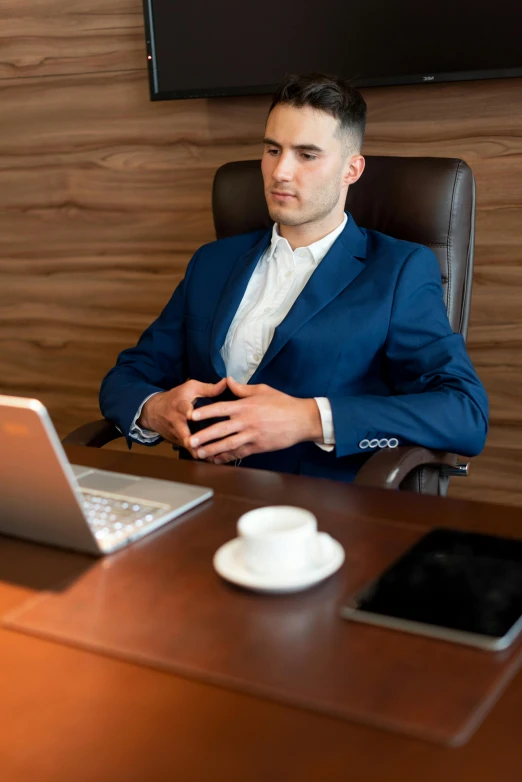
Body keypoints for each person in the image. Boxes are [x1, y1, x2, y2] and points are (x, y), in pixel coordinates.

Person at [99, 72, 488, 484]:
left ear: (351, 170)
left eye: (307, 155)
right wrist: (154, 409)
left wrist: (309, 418)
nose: (280, 171)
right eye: (272, 149)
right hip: (202, 498)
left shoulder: (399, 270)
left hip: (321, 513)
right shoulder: (212, 261)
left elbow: (463, 412)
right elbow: (126, 376)